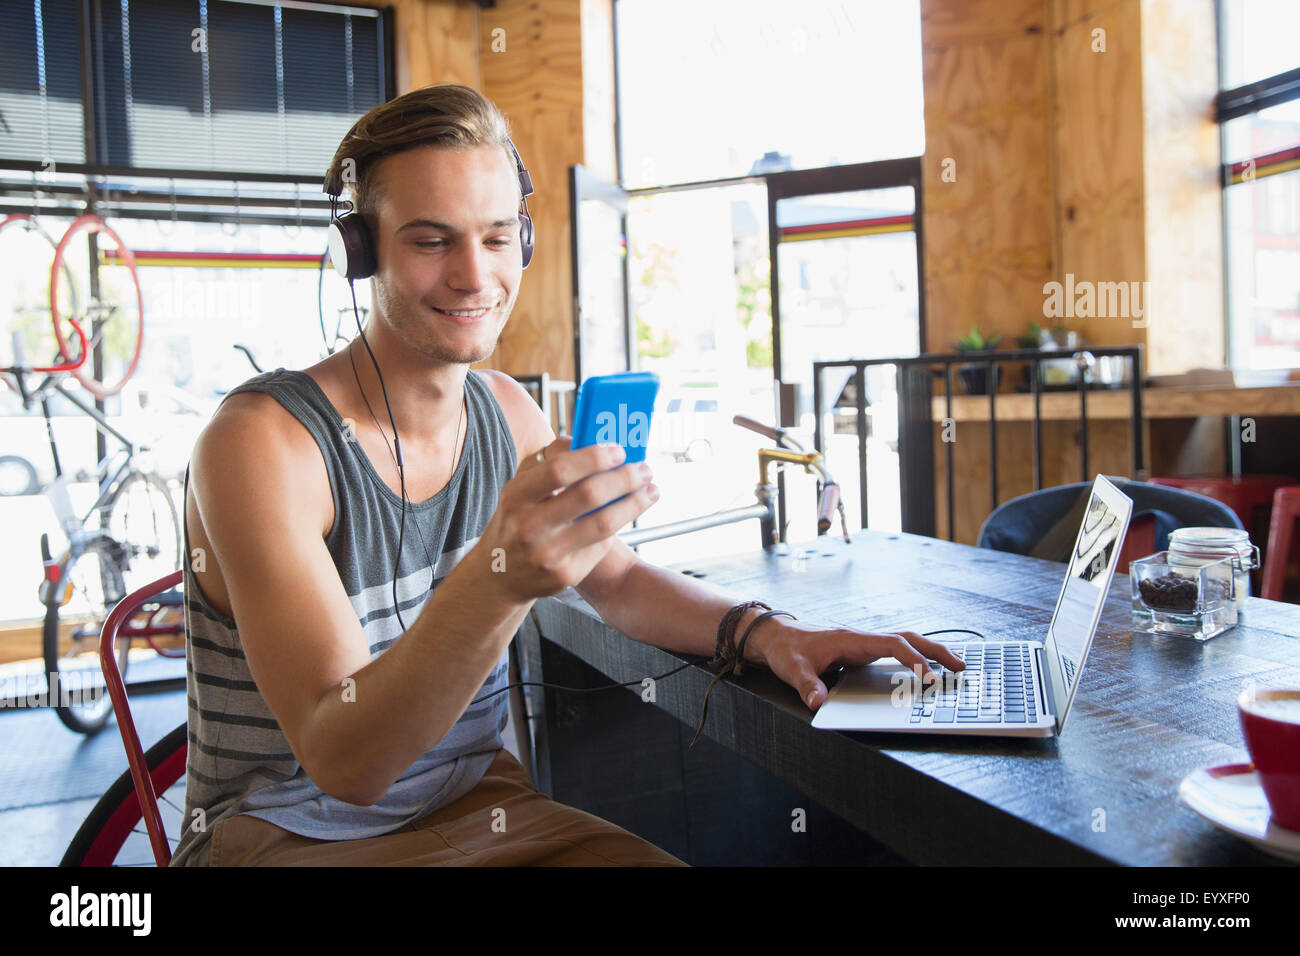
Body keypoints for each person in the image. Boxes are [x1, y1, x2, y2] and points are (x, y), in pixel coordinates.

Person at [171, 83, 963, 867]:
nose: (475, 277)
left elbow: (613, 580)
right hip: (284, 838)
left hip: (482, 807)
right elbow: (348, 766)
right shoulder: (260, 444)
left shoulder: (508, 414)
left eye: (494, 237)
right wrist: (498, 579)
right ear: (362, 249)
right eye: (429, 240)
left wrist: (768, 633)